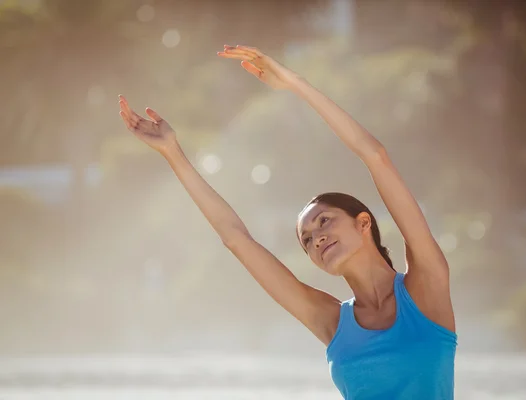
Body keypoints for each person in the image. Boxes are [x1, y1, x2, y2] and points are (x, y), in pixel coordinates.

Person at [118, 44, 457, 400]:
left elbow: (376, 156)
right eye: (307, 240)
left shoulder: (426, 286)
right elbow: (236, 239)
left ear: (363, 223)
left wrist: (296, 85)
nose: (318, 239)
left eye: (324, 221)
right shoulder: (330, 321)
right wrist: (174, 153)